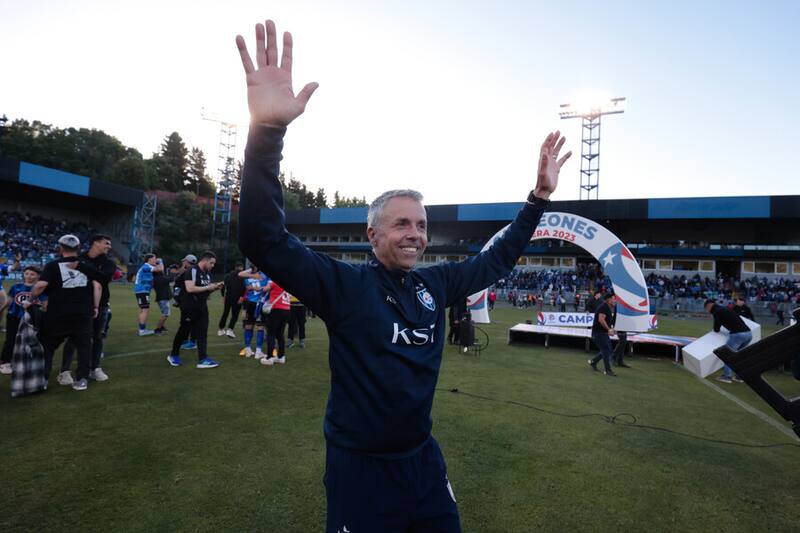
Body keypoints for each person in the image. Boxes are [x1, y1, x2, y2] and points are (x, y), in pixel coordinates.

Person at [235, 19, 571, 531]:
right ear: (372, 235)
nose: (415, 234)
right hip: (359, 469)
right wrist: (267, 132)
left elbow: (495, 260)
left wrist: (539, 199)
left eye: (421, 225)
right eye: (401, 224)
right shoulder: (345, 287)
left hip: (422, 463)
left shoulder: (434, 286)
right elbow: (264, 238)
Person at [28, 235, 101, 391]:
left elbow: (40, 285)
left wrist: (31, 298)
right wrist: (95, 307)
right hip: (82, 313)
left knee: (47, 346)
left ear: (60, 248)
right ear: (79, 248)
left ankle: (43, 379)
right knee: (83, 347)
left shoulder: (52, 265)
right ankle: (81, 380)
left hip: (57, 313)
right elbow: (98, 287)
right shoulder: (86, 265)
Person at [60, 234, 117, 382]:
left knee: (97, 337)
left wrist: (82, 268)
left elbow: (104, 279)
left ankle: (95, 368)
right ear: (95, 243)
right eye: (106, 243)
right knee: (73, 337)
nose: (109, 246)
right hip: (77, 303)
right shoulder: (78, 257)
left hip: (101, 304)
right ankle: (64, 371)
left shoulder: (108, 262)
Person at [167, 251, 224, 368]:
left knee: (202, 333)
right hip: (189, 307)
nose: (213, 265)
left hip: (202, 307)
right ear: (205, 260)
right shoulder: (192, 271)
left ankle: (203, 359)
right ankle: (173, 354)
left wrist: (215, 288)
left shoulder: (207, 274)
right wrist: (209, 286)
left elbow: (205, 290)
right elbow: (190, 288)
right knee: (183, 332)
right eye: (212, 263)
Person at [0, 265, 46, 375]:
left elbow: (44, 304)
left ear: (38, 276)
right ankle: (5, 362)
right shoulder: (16, 287)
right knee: (11, 339)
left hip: (31, 319)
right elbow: (10, 301)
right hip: (14, 317)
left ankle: (27, 361)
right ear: (23, 274)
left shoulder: (40, 289)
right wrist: (1, 309)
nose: (29, 276)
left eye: (32, 274)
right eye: (27, 273)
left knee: (31, 340)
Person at [704, 299, 752, 384]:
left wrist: (716, 329)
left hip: (738, 335)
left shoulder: (717, 312)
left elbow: (716, 328)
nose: (707, 311)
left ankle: (727, 377)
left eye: (706, 308)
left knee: (728, 356)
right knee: (739, 356)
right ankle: (740, 377)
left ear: (709, 305)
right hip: (748, 334)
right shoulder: (724, 309)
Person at [239, 265, 270, 358]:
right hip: (259, 303)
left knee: (249, 325)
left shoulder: (247, 276)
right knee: (260, 326)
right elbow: (268, 287)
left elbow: (247, 287)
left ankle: (248, 349)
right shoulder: (264, 275)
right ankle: (258, 351)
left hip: (249, 303)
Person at [261, 278, 290, 365]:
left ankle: (269, 357)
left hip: (276, 309)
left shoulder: (274, 281)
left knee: (271, 333)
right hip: (287, 309)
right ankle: (281, 356)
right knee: (280, 334)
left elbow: (264, 289)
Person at [172, 255, 199, 349]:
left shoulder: (189, 272)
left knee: (189, 322)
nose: (183, 263)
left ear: (188, 262)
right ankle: (186, 340)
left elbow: (180, 284)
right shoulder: (190, 271)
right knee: (186, 321)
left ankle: (192, 342)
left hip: (189, 301)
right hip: (185, 301)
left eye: (184, 261)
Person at [133, 253, 164, 336]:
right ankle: (142, 330)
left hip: (141, 290)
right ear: (149, 260)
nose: (156, 260)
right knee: (145, 310)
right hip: (142, 290)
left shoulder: (146, 267)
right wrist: (160, 261)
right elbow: (160, 269)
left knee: (143, 309)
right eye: (155, 259)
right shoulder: (147, 266)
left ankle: (142, 329)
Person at [588, 293, 617, 376]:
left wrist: (610, 329)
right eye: (613, 298)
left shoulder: (607, 307)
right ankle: (607, 370)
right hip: (598, 333)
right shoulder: (604, 307)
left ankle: (593, 361)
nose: (615, 300)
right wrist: (609, 329)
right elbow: (601, 320)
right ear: (608, 299)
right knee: (606, 350)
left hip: (602, 333)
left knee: (608, 350)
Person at [218, 262, 245, 338]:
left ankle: (221, 329)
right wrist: (242, 296)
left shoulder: (228, 275)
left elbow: (222, 286)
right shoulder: (242, 276)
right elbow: (244, 287)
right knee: (235, 314)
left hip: (228, 297)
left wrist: (223, 295)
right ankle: (230, 330)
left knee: (225, 313)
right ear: (241, 268)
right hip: (237, 298)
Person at [152, 258, 174, 335]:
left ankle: (161, 326)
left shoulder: (158, 276)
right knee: (166, 314)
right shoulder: (159, 277)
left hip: (162, 298)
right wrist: (172, 272)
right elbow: (171, 278)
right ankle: (157, 329)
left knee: (165, 313)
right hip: (163, 298)